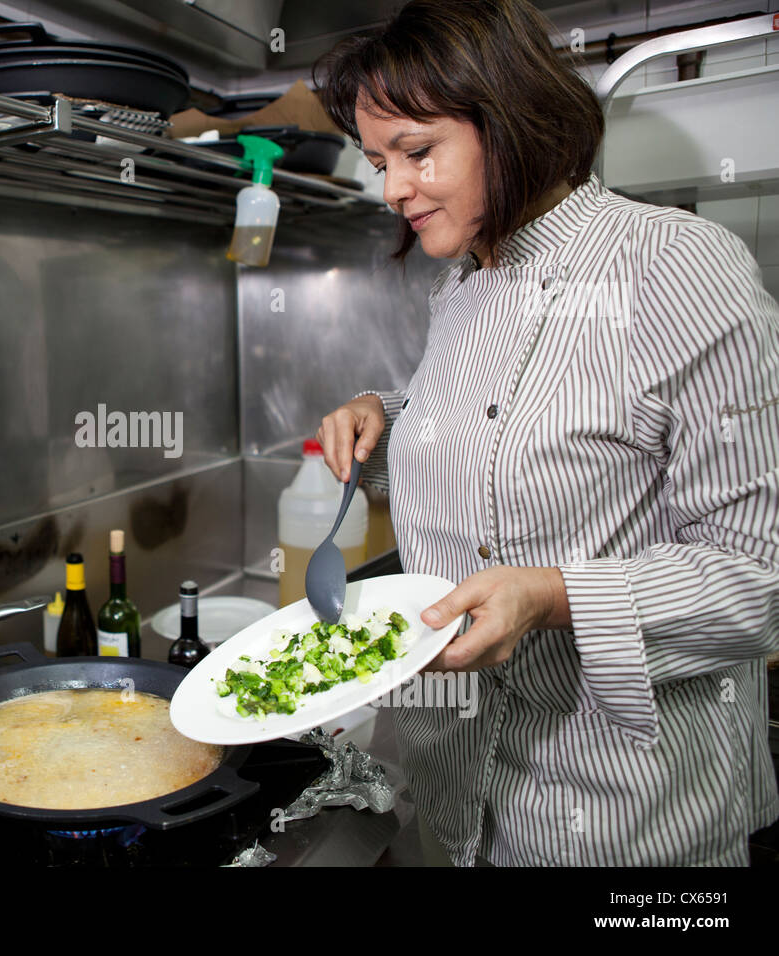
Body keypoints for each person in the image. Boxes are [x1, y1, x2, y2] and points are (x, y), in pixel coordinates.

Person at [313, 0, 779, 865]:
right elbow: (514, 444)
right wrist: (389, 419)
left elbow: (759, 580)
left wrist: (551, 596)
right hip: (461, 790)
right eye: (378, 161)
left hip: (622, 818)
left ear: (512, 119)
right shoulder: (462, 285)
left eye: (417, 153)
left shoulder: (677, 266)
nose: (393, 189)